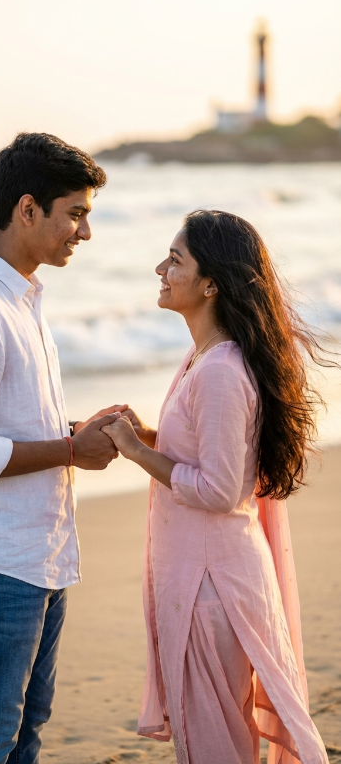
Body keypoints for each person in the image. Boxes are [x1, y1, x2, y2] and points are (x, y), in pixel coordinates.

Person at [103, 209, 329, 764]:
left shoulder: (221, 369)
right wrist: (151, 435)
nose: (161, 268)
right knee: (212, 741)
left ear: (210, 284)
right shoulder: (202, 357)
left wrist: (136, 452)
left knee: (214, 748)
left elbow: (220, 489)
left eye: (175, 260)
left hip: (213, 590)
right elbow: (212, 452)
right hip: (204, 578)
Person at [0, 132, 124, 764]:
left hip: (38, 553)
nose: (84, 233)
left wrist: (76, 434)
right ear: (28, 209)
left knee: (26, 729)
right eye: (76, 214)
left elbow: (14, 422)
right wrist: (70, 452)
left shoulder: (23, 298)